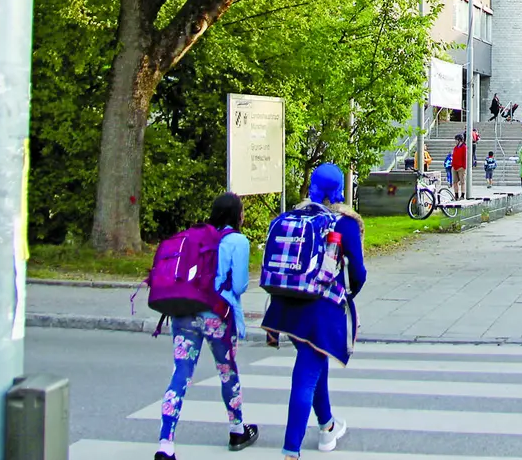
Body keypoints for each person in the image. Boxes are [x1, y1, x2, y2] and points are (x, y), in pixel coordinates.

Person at [262, 163, 366, 457]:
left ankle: (328, 426)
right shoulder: (342, 223)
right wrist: (347, 294)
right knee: (306, 374)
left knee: (315, 361)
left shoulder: (289, 216)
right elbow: (358, 272)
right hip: (318, 310)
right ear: (338, 189)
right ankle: (290, 450)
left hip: (284, 306)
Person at [155, 193, 258, 459]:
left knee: (181, 373)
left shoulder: (195, 236)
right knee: (227, 371)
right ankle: (237, 429)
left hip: (184, 311)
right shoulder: (238, 240)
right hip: (217, 315)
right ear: (237, 215)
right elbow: (239, 286)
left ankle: (166, 442)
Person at [451, 134, 468, 200]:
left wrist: (464, 166)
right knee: (455, 182)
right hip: (454, 166)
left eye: (456, 139)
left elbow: (465, 157)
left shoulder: (464, 147)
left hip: (461, 167)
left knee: (462, 181)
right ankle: (456, 195)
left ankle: (462, 195)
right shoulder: (455, 147)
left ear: (459, 140)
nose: (455, 141)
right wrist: (452, 165)